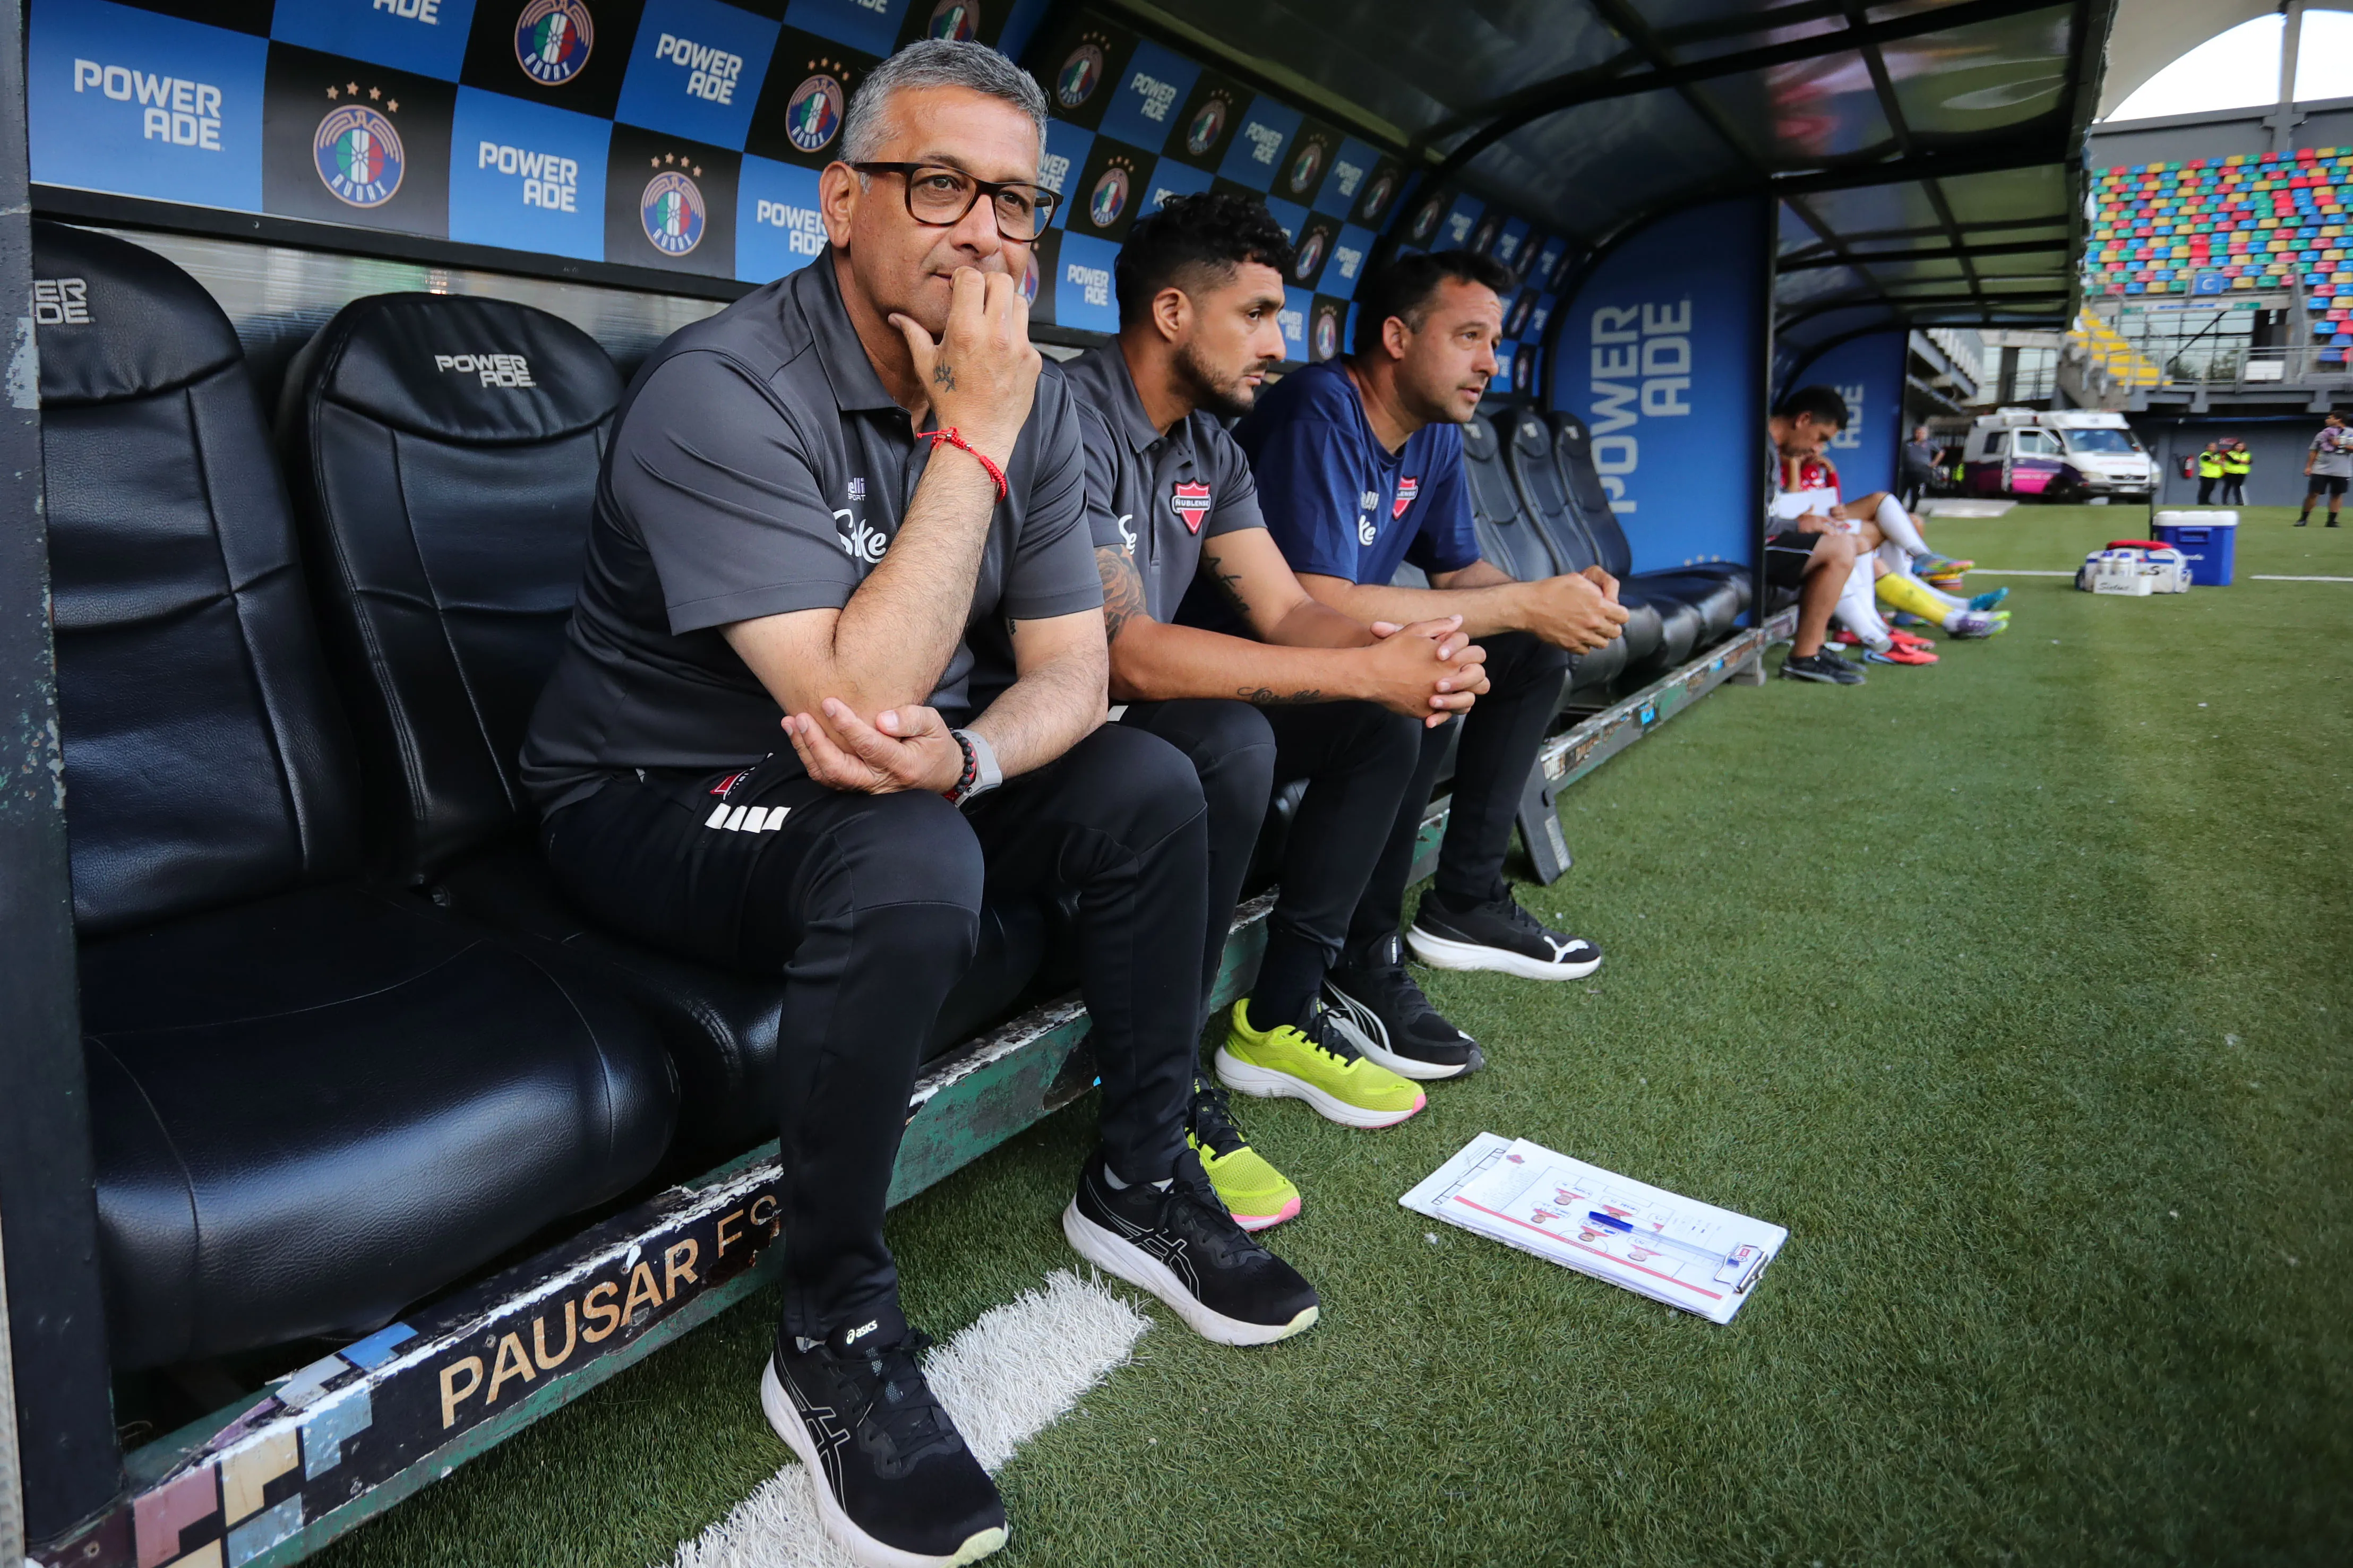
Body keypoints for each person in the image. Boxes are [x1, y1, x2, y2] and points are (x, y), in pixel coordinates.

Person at [517, 42, 1317, 1568]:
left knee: (1151, 781)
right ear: (843, 202)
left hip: (891, 766)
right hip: (655, 791)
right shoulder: (726, 387)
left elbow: (1074, 672)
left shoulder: (1036, 397)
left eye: (1015, 203)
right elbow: (849, 698)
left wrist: (978, 761)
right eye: (940, 186)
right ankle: (831, 1327)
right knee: (905, 853)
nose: (984, 234)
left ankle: (1142, 1172)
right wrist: (972, 438)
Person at [1063, 194, 1496, 1230]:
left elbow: (1290, 610)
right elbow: (1119, 652)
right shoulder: (1065, 417)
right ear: (1172, 312)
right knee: (1228, 737)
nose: (1280, 345)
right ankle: (1165, 1091)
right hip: (1039, 732)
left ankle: (1281, 1012)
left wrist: (1397, 659)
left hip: (1130, 726)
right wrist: (1366, 669)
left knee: (1380, 717)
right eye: (1256, 314)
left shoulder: (1209, 448)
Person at [1234, 250, 1616, 993]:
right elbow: (1315, 602)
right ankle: (1364, 953)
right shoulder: (1319, 409)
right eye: (1469, 337)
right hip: (1257, 676)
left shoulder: (1435, 428)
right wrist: (1522, 603)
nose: (1490, 364)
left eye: (1495, 343)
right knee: (1422, 681)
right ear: (1397, 338)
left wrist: (1556, 597)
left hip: (1336, 663)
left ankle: (1466, 901)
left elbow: (1458, 572)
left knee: (1530, 647)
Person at [1764, 388, 2003, 683]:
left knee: (1851, 539)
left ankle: (1859, 638)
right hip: (1747, 547)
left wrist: (1805, 521)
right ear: (1803, 420)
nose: (1818, 448)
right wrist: (1798, 524)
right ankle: (1866, 643)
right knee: (1841, 545)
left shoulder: (1772, 450)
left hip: (1768, 538)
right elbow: (1748, 520)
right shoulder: (1761, 448)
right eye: (1821, 437)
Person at [2298, 411, 2349, 527]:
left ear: (2338, 420)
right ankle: (2303, 519)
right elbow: (2314, 451)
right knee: (2313, 493)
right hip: (2321, 469)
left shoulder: (2350, 433)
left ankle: (2332, 521)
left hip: (2341, 470)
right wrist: (2309, 467)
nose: (2327, 420)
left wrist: (2339, 445)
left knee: (2337, 494)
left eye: (2330, 418)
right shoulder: (2322, 434)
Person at [1900, 424, 1939, 511]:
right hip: (1908, 471)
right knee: (1901, 492)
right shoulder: (1907, 443)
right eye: (1918, 432)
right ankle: (1898, 509)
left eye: (1922, 433)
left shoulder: (1930, 443)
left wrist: (1934, 463)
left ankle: (1912, 510)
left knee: (1916, 493)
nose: (1919, 435)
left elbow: (1941, 452)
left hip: (1921, 472)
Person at [2221, 437, 2252, 506]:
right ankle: (2225, 501)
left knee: (2237, 487)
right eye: (2238, 446)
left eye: (2241, 446)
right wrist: (2244, 462)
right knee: (2228, 487)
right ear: (2235, 447)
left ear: (2244, 447)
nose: (2239, 447)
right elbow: (2234, 462)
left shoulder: (2247, 454)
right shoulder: (2230, 453)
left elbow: (2250, 461)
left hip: (2241, 473)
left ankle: (2238, 502)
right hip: (2230, 472)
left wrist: (2241, 461)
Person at [2196, 440, 2224, 506]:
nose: (2213, 448)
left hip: (2215, 476)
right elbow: (2213, 462)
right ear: (2207, 448)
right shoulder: (2205, 455)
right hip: (2206, 475)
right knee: (2204, 489)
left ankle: (2207, 501)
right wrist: (2220, 462)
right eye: (2211, 447)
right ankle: (2201, 502)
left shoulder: (2217, 455)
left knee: (2210, 489)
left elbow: (2223, 462)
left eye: (2214, 447)